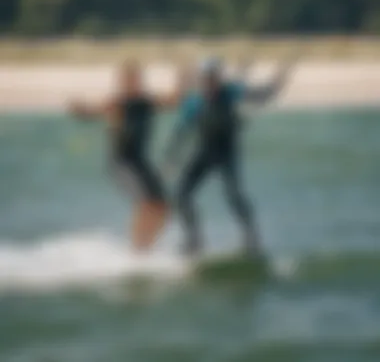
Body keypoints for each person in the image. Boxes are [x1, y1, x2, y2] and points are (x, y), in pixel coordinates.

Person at [165, 55, 297, 257]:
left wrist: (277, 83)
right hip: (205, 153)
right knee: (182, 195)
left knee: (234, 195)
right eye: (206, 78)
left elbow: (260, 95)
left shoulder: (231, 92)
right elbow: (181, 131)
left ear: (218, 77)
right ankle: (194, 240)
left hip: (227, 154)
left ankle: (251, 238)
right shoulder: (195, 102)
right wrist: (171, 159)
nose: (209, 82)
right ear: (201, 79)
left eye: (213, 77)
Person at [69, 61, 181, 252]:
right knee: (146, 203)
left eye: (135, 80)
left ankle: (147, 247)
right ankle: (136, 250)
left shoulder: (146, 102)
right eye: (127, 81)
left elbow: (172, 102)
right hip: (121, 163)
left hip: (140, 162)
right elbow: (94, 112)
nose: (132, 85)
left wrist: (183, 80)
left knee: (163, 206)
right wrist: (81, 110)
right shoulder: (117, 103)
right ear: (122, 83)